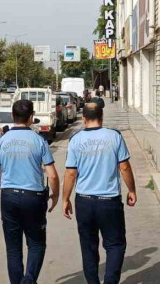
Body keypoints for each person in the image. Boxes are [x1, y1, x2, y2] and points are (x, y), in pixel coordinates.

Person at [62, 100, 136, 284]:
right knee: (115, 245)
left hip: (84, 201)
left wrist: (65, 199)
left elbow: (71, 172)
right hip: (109, 201)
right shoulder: (114, 136)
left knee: (88, 247)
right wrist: (132, 190)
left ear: (84, 118)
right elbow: (124, 167)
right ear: (102, 117)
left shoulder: (75, 140)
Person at [0, 100, 60, 284]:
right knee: (36, 244)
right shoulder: (39, 141)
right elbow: (52, 175)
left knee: (13, 249)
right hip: (33, 198)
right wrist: (56, 194)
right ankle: (29, 280)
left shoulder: (1, 142)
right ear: (31, 118)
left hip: (9, 197)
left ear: (12, 116)